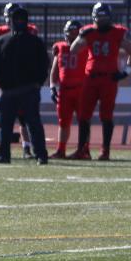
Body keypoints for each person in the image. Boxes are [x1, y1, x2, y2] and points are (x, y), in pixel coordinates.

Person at [69, 1, 131, 160]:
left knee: (106, 116)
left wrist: (126, 72)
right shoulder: (88, 32)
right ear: (94, 17)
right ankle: (83, 150)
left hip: (109, 79)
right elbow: (74, 49)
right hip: (91, 79)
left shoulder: (117, 33)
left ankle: (105, 151)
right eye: (100, 17)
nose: (102, 20)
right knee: (84, 116)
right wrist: (80, 36)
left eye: (104, 17)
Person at [0, 3, 49, 164]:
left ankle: (41, 155)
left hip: (29, 89)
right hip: (8, 90)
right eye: (16, 18)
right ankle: (3, 154)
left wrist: (38, 83)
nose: (19, 21)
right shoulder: (0, 42)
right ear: (10, 20)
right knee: (5, 125)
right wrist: (0, 81)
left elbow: (43, 64)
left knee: (33, 123)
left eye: (22, 18)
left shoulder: (35, 42)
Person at [50, 19, 86, 158]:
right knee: (63, 121)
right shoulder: (60, 47)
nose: (72, 36)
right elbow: (54, 71)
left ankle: (84, 150)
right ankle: (61, 149)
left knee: (84, 121)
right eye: (70, 33)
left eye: (75, 33)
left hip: (81, 89)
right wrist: (53, 87)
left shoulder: (85, 46)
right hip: (64, 90)